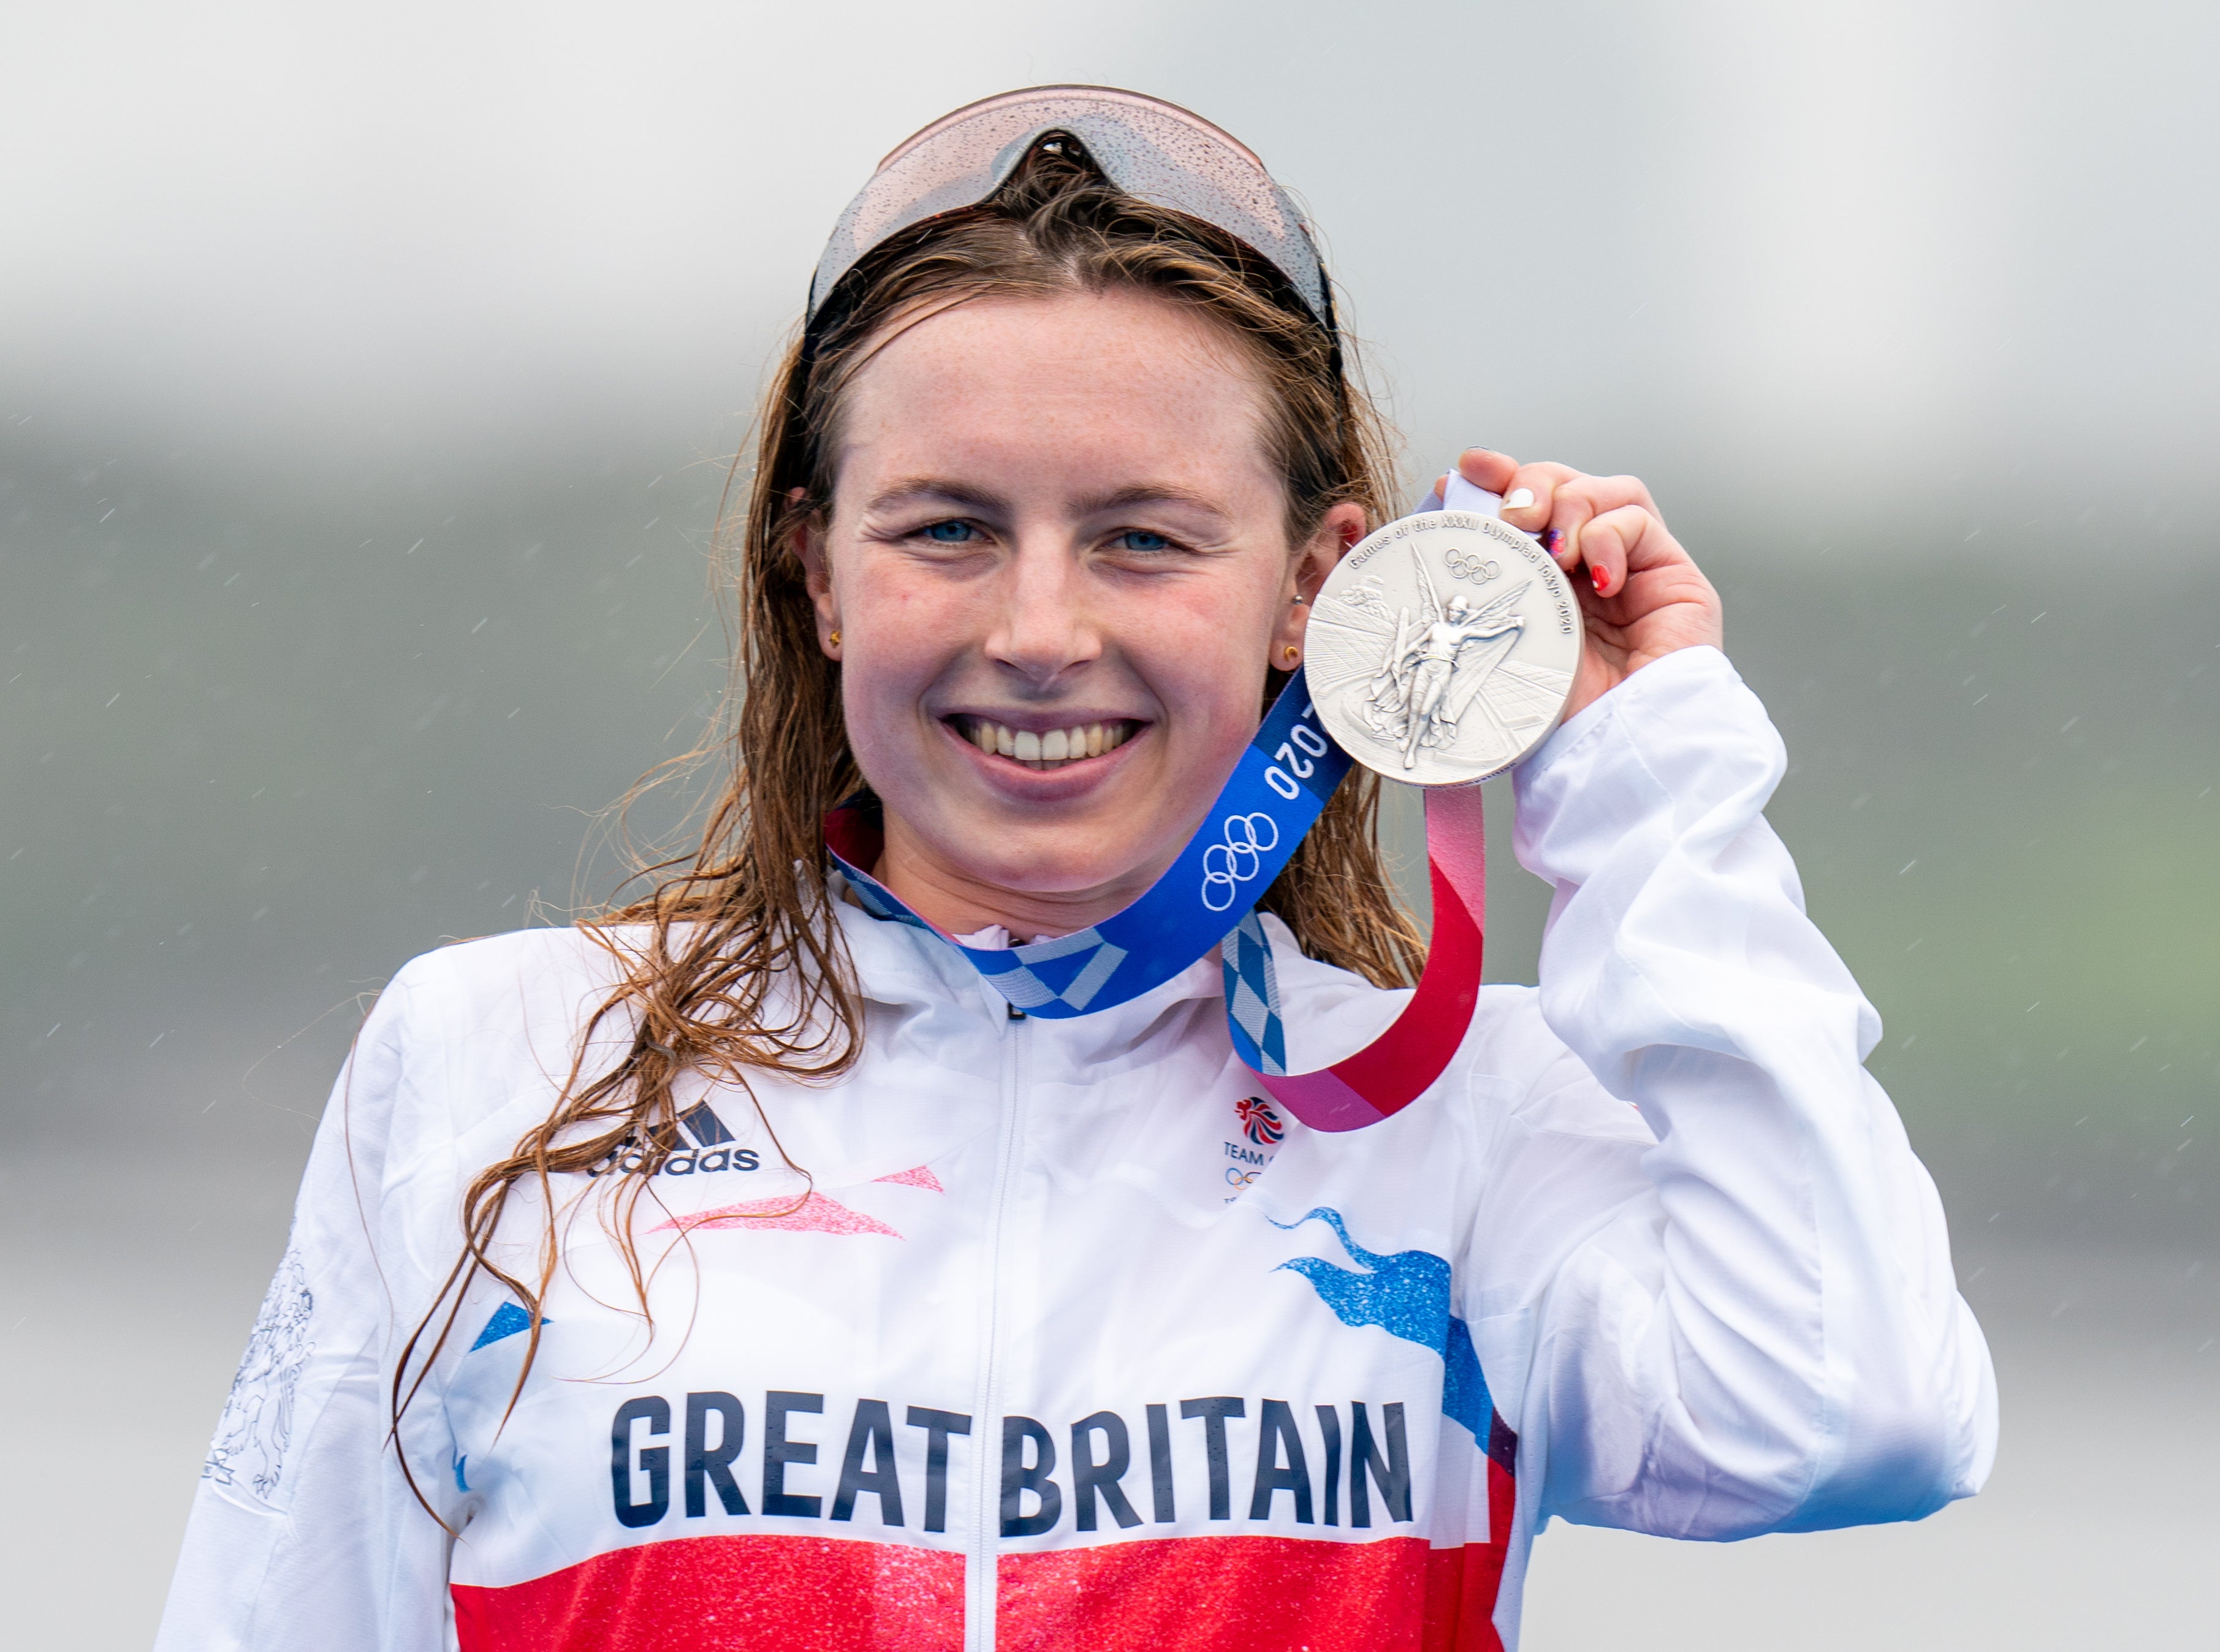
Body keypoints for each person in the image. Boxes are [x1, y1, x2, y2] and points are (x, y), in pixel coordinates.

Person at [156, 86, 1996, 1652]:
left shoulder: (1464, 1124)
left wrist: (1640, 766)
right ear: (815, 570)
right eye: (948, 528)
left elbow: (1853, 1413)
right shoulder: (498, 1064)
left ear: (1315, 585)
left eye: (1141, 540)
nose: (1040, 632)